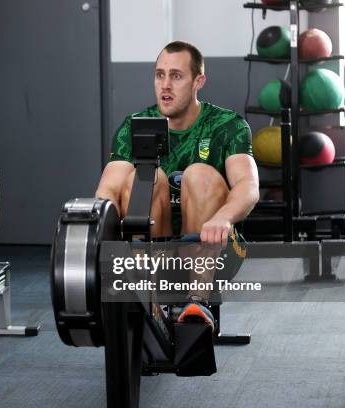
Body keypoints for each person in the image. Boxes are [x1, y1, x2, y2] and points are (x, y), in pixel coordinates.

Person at [96, 41, 259, 328]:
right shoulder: (135, 125)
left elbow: (248, 186)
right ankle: (151, 308)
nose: (165, 85)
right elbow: (107, 191)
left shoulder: (227, 125)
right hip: (150, 256)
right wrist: (106, 233)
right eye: (160, 75)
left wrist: (222, 218)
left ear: (199, 81)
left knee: (199, 174)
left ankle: (197, 305)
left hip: (214, 252)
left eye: (176, 76)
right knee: (144, 177)